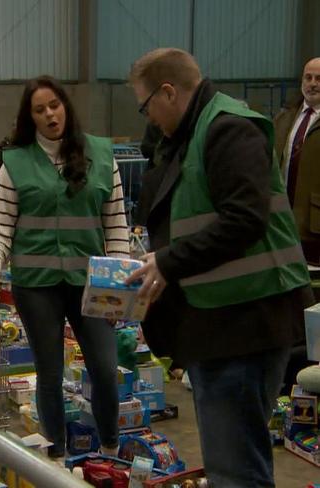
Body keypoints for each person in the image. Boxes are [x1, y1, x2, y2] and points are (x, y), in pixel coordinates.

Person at [126, 48, 313, 487]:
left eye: (145, 105)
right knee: (229, 462)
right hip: (217, 320)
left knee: (236, 469)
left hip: (246, 322)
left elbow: (244, 218)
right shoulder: (188, 137)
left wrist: (168, 262)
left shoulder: (229, 128)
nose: (147, 117)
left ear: (168, 92)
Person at [0, 75, 129, 459]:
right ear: (30, 118)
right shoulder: (15, 163)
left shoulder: (102, 156)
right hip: (36, 285)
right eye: (39, 109)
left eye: (54, 105)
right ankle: (55, 458)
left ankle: (110, 448)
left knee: (106, 370)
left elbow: (116, 223)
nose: (49, 115)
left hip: (93, 283)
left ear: (66, 107)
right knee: (50, 373)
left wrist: (123, 281)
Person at [275, 57, 320, 264]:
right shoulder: (284, 119)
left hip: (314, 224)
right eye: (308, 78)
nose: (312, 83)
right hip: (281, 219)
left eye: (319, 79)